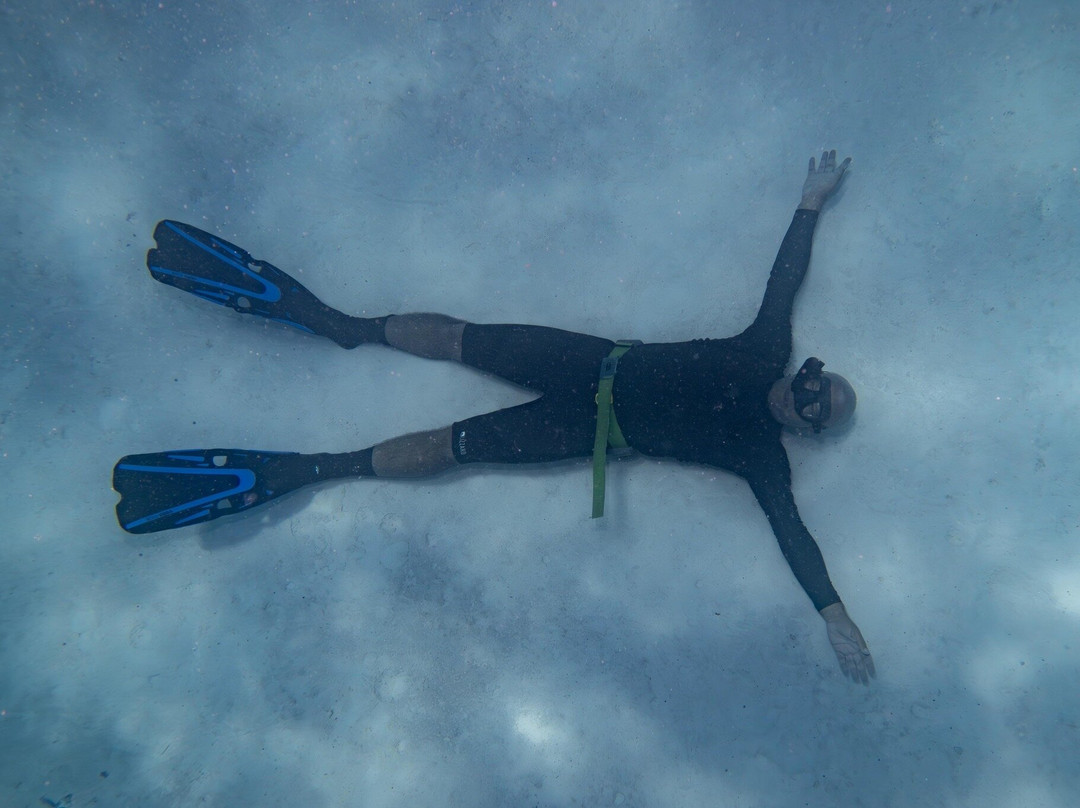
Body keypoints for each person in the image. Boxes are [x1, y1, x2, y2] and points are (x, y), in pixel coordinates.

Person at [114, 150, 875, 684]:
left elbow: (793, 533)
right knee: (458, 337)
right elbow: (784, 281)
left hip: (587, 433)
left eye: (814, 409)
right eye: (814, 381)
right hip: (589, 362)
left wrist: (833, 614)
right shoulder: (767, 348)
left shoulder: (760, 455)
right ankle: (344, 324)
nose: (801, 393)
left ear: (804, 431)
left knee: (453, 449)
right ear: (804, 369)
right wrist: (808, 204)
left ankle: (320, 468)